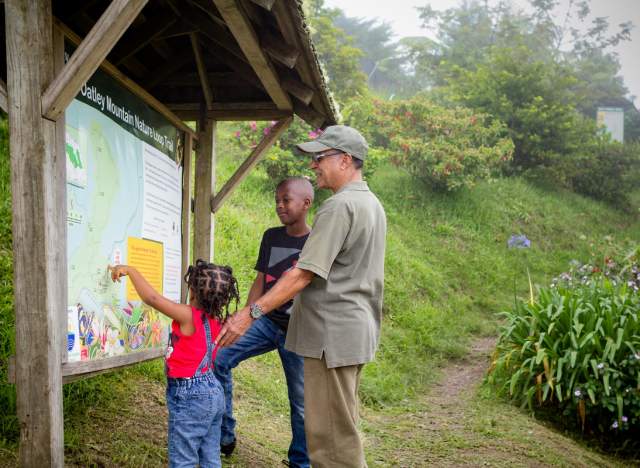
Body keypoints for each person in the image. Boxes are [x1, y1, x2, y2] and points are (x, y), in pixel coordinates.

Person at [216, 125, 387, 468]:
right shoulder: (371, 204)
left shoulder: (339, 207)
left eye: (320, 158)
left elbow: (303, 273)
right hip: (353, 333)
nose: (314, 166)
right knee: (341, 429)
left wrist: (251, 312)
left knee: (330, 443)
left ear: (345, 160)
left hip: (331, 335)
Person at [214, 177, 314, 468]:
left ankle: (300, 461)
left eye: (287, 200)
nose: (280, 206)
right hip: (265, 321)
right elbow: (261, 279)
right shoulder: (271, 236)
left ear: (306, 203)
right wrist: (244, 316)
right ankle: (224, 435)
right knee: (218, 356)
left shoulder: (316, 241)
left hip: (299, 331)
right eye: (277, 200)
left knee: (301, 403)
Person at [109, 260, 240, 468]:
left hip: (192, 396)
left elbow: (152, 298)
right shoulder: (217, 320)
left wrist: (131, 270)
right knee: (210, 456)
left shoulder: (189, 316)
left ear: (192, 291)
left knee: (183, 459)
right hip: (214, 392)